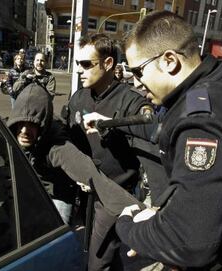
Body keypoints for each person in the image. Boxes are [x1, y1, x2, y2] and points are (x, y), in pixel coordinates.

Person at [85, 11, 222, 270]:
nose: (136, 83)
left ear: (170, 60)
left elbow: (190, 243)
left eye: (138, 71)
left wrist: (128, 224)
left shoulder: (202, 124)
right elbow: (161, 131)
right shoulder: (219, 78)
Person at [64, 33, 153, 270]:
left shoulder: (130, 101)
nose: (79, 70)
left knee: (98, 260)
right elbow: (69, 138)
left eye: (86, 64)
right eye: (77, 64)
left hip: (113, 195)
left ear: (108, 63)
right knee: (86, 249)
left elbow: (150, 123)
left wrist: (108, 124)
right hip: (83, 191)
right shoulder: (78, 97)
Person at [7, 81, 135, 224]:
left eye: (32, 125)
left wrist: (137, 211)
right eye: (21, 123)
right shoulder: (8, 131)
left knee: (59, 235)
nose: (24, 131)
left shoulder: (57, 145)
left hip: (59, 192)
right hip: (30, 186)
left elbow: (91, 175)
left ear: (42, 126)